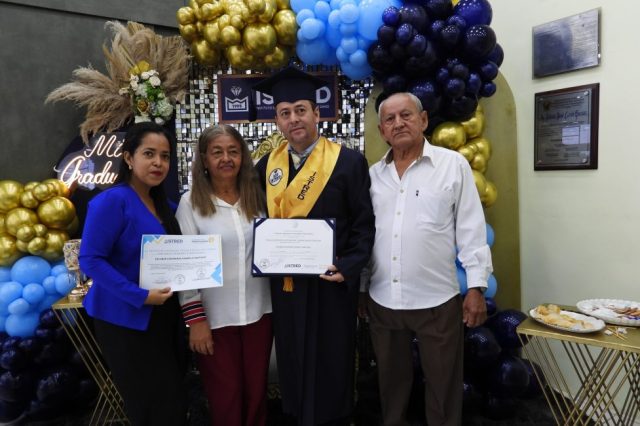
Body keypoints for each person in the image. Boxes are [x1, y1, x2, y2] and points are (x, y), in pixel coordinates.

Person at [253, 66, 375, 426]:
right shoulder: (266, 167)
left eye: (300, 110)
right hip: (287, 287)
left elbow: (364, 225)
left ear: (317, 113)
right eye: (285, 113)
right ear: (277, 120)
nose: (294, 119)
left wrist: (348, 267)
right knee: (292, 357)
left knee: (331, 359)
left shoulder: (348, 162)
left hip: (329, 285)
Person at [361, 92, 493, 426]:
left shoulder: (452, 166)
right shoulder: (373, 176)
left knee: (444, 386)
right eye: (389, 119)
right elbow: (364, 237)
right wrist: (361, 289)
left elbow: (471, 228)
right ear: (382, 131)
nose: (398, 123)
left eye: (406, 115)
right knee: (390, 385)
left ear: (423, 120)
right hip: (383, 299)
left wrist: (476, 287)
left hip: (437, 300)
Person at [79, 122, 186, 426]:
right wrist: (139, 296)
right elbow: (90, 260)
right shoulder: (112, 201)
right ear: (128, 157)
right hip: (124, 319)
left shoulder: (166, 205)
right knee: (149, 404)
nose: (158, 163)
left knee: (172, 399)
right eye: (149, 154)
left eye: (165, 156)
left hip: (163, 315)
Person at [176, 124, 272, 426]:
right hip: (215, 319)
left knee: (257, 392)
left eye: (233, 151)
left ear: (243, 157)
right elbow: (185, 268)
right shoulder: (190, 203)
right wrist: (196, 321)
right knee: (225, 396)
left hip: (260, 312)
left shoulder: (259, 198)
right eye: (217, 152)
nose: (226, 159)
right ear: (204, 159)